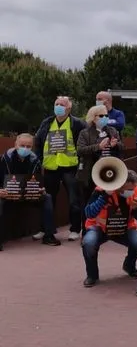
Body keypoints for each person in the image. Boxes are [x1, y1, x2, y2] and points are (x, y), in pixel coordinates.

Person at [81, 170, 137, 296]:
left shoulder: (134, 192)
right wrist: (104, 197)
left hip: (124, 228)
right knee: (88, 243)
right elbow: (89, 213)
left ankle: (129, 265)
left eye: (134, 187)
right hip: (99, 227)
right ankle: (92, 275)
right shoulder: (101, 190)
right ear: (120, 185)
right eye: (128, 188)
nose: (132, 190)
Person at [34, 96, 85, 241]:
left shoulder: (77, 123)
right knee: (48, 199)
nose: (58, 106)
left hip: (70, 167)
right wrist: (38, 159)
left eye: (62, 104)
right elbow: (38, 141)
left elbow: (83, 142)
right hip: (51, 166)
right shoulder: (47, 122)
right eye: (56, 104)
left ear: (69, 108)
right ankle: (45, 229)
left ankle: (75, 229)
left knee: (73, 200)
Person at [0, 134, 61, 249]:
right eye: (22, 145)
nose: (25, 149)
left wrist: (41, 189)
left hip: (28, 195)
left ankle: (48, 235)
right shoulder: (4, 159)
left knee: (47, 197)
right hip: (8, 195)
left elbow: (37, 181)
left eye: (28, 146)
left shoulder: (35, 160)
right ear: (15, 145)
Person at [76, 105, 124, 210]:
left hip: (110, 170)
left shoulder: (112, 131)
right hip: (91, 171)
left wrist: (115, 145)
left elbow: (121, 147)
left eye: (106, 115)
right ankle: (86, 225)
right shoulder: (85, 133)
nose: (105, 118)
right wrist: (98, 147)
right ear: (93, 118)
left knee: (109, 200)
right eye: (101, 115)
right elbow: (80, 150)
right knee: (89, 201)